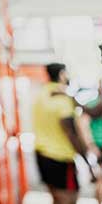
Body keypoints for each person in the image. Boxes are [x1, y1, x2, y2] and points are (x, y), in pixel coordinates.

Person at [32, 63, 97, 204]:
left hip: (42, 155)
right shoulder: (63, 100)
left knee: (56, 197)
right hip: (60, 158)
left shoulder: (42, 94)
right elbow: (72, 134)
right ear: (61, 74)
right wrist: (88, 163)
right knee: (69, 199)